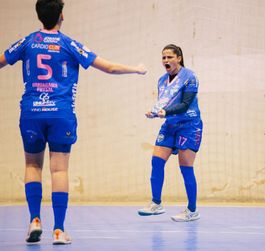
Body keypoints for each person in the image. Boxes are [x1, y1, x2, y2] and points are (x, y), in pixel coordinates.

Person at [0, 0, 146, 245]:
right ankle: (58, 230)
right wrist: (136, 68)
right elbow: (109, 68)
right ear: (62, 16)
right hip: (61, 113)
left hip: (32, 113)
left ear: (39, 15)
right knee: (59, 170)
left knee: (32, 167)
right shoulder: (69, 44)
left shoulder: (26, 42)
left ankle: (34, 220)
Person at [137, 44, 202, 222]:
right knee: (156, 161)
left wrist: (165, 112)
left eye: (169, 57)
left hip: (189, 125)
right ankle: (156, 203)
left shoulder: (190, 77)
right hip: (170, 125)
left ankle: (192, 210)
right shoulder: (161, 80)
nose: (166, 60)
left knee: (186, 167)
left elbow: (185, 104)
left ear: (178, 58)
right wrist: (155, 112)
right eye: (164, 57)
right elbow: (165, 103)